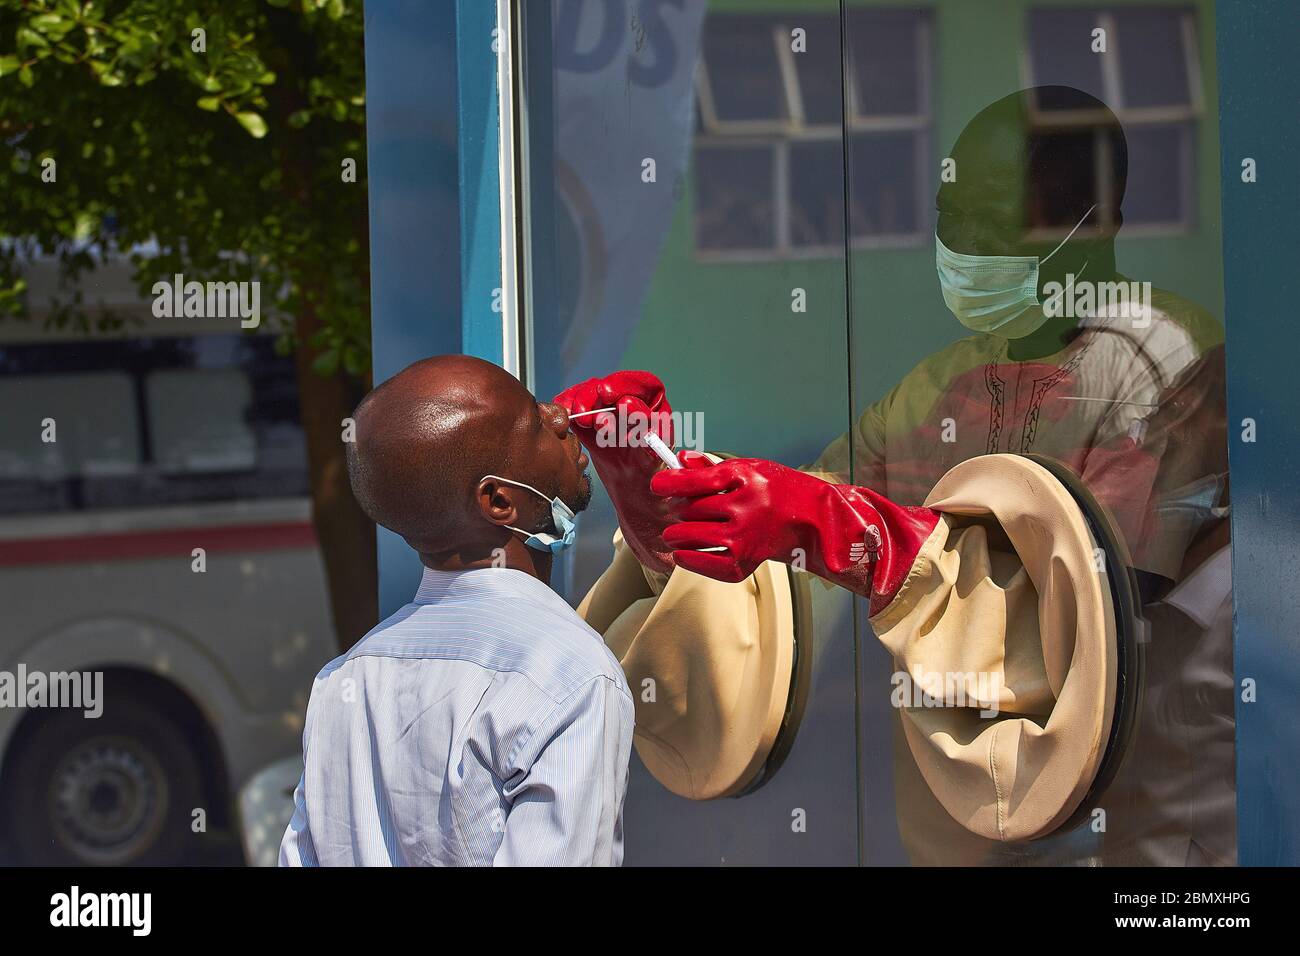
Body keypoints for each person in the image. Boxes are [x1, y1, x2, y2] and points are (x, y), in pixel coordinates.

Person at [558, 87, 1233, 865]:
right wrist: (661, 495)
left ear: (1097, 221)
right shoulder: (938, 389)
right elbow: (786, 576)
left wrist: (854, 537)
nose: (965, 242)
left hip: (1137, 790)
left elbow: (1096, 616)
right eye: (952, 219)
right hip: (972, 808)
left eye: (995, 216)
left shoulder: (1167, 359)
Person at [279, 354, 634, 866]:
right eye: (534, 422)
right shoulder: (570, 674)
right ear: (499, 502)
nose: (560, 416)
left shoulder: (344, 681)